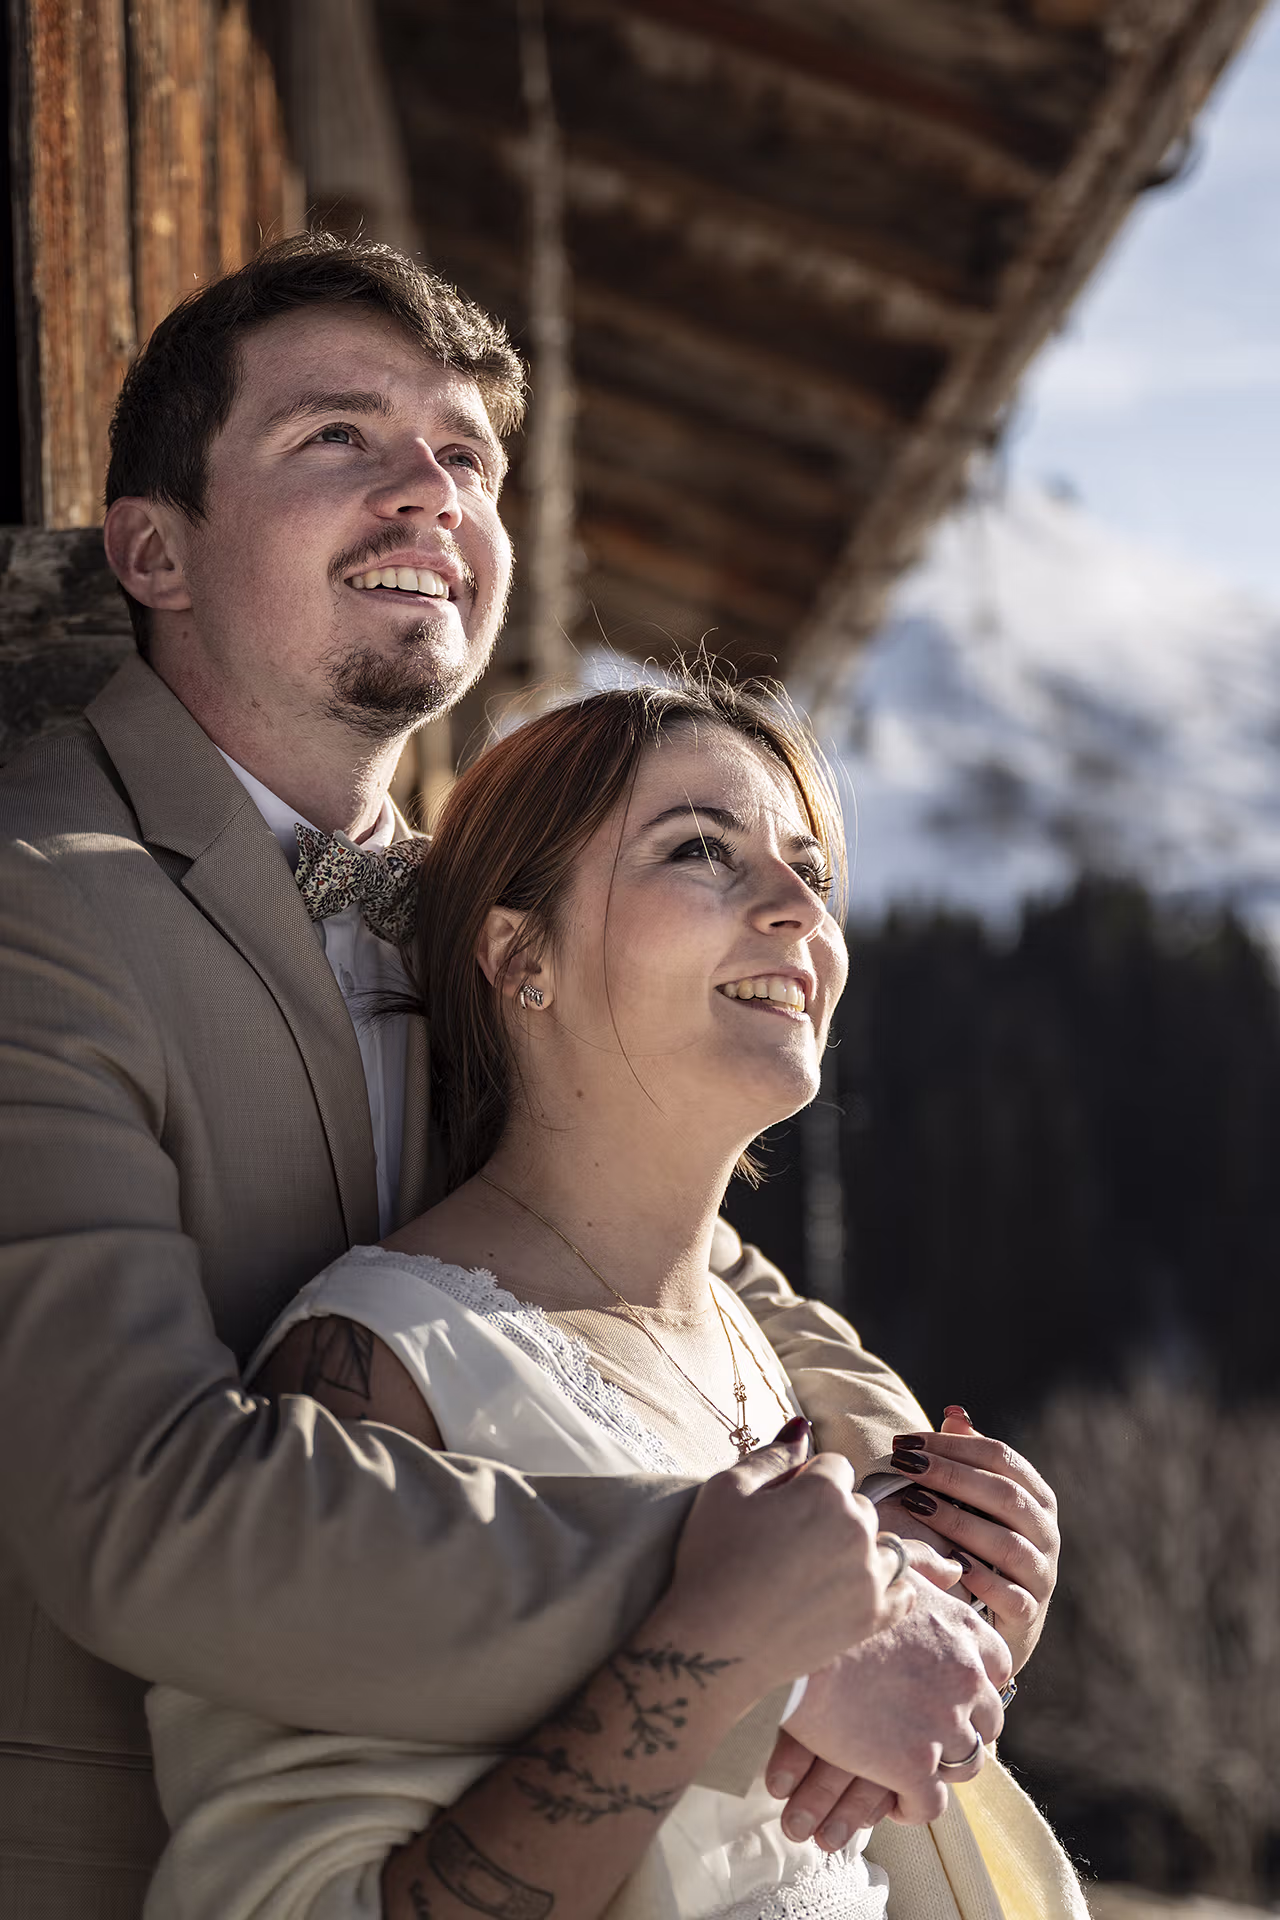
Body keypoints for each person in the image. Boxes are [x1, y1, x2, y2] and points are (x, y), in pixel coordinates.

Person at [0, 232, 1000, 1920]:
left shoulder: (474, 916)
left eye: (465, 456)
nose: (428, 495)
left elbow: (676, 1253)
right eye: (340, 440)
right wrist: (753, 1626)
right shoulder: (37, 901)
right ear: (152, 550)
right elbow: (134, 1511)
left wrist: (924, 1519)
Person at [141, 674, 1079, 1920]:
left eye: (810, 869)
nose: (800, 908)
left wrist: (960, 1631)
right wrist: (717, 1662)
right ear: (517, 953)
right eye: (701, 850)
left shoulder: (766, 1357)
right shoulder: (381, 1371)